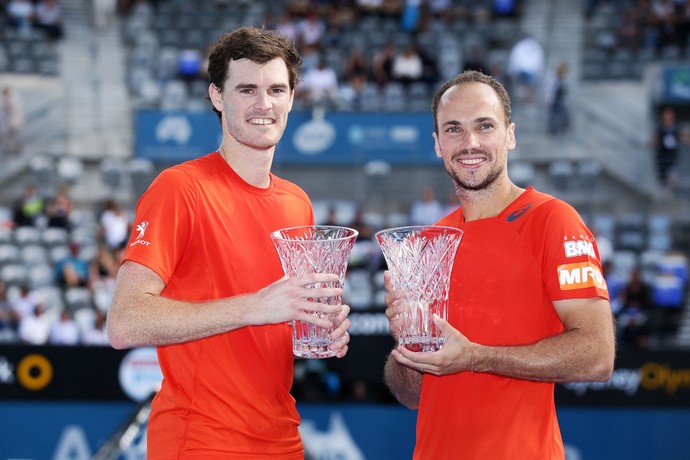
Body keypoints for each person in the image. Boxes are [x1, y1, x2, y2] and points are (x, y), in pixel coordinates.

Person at [106, 27, 352, 459]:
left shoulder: (299, 204)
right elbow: (124, 322)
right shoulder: (179, 188)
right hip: (199, 441)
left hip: (283, 440)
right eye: (247, 89)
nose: (264, 104)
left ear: (293, 98)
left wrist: (316, 327)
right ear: (217, 97)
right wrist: (257, 305)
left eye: (277, 89)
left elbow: (276, 321)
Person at [382, 70, 616, 459]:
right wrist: (407, 345)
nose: (469, 142)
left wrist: (476, 356)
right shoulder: (427, 243)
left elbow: (597, 355)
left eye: (484, 126)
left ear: (510, 134)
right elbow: (412, 396)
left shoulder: (552, 220)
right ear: (438, 144)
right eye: (453, 130)